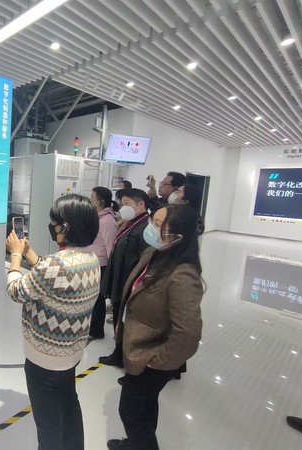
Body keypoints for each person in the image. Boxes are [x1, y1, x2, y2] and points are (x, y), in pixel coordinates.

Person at [6, 194, 101, 450]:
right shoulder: (90, 259)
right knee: (69, 406)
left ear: (65, 228)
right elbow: (51, 278)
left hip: (45, 359)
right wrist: (28, 252)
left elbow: (16, 291)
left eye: (54, 224)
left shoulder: (57, 265)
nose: (52, 227)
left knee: (47, 423)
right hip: (71, 353)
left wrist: (15, 256)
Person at [107, 204, 204, 450]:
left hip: (150, 360)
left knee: (131, 411)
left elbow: (188, 334)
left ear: (178, 236)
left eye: (159, 225)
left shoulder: (183, 275)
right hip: (137, 350)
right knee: (144, 408)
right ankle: (136, 443)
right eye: (153, 221)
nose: (151, 228)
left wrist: (156, 363)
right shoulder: (154, 254)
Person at [99, 189, 151, 367]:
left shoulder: (144, 227)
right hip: (121, 279)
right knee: (119, 317)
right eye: (122, 204)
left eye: (127, 203)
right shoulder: (132, 223)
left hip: (129, 282)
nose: (122, 208)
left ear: (140, 204)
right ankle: (119, 352)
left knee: (125, 320)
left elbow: (144, 260)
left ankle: (124, 356)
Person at [88, 187, 119, 339]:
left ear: (100, 201)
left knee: (97, 299)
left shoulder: (107, 221)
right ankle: (93, 328)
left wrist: (110, 271)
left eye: (92, 198)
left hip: (102, 265)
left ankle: (96, 331)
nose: (90, 200)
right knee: (93, 298)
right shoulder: (99, 217)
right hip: (94, 262)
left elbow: (110, 247)